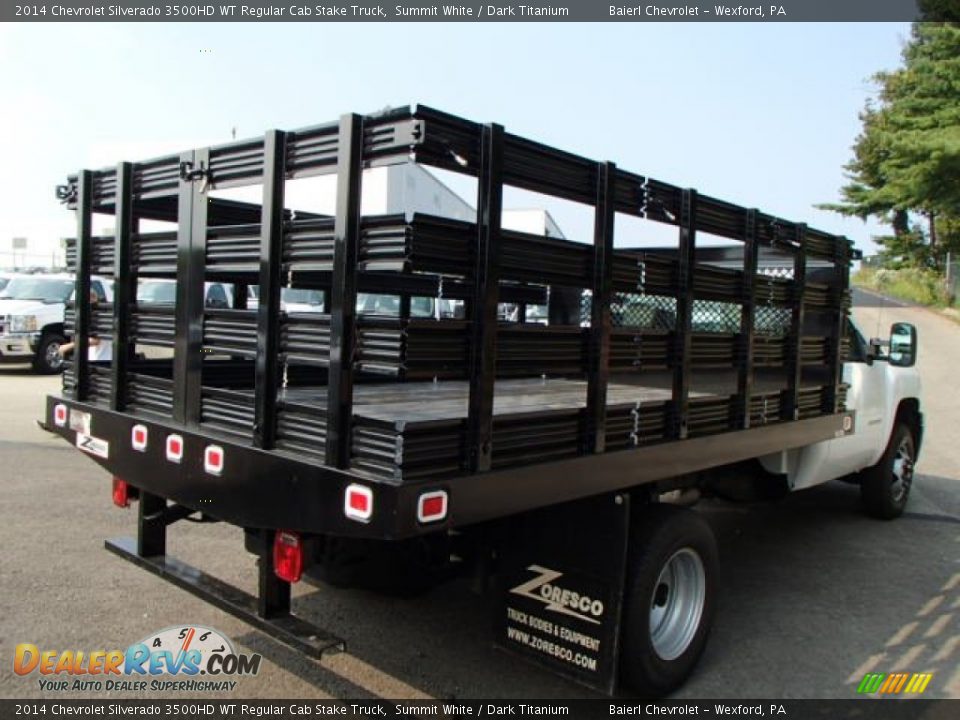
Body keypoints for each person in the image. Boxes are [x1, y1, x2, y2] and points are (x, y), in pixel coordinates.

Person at [59, 290, 113, 362]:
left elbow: (94, 340)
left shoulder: (99, 316)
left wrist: (67, 346)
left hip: (101, 360)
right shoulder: (98, 314)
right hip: (97, 358)